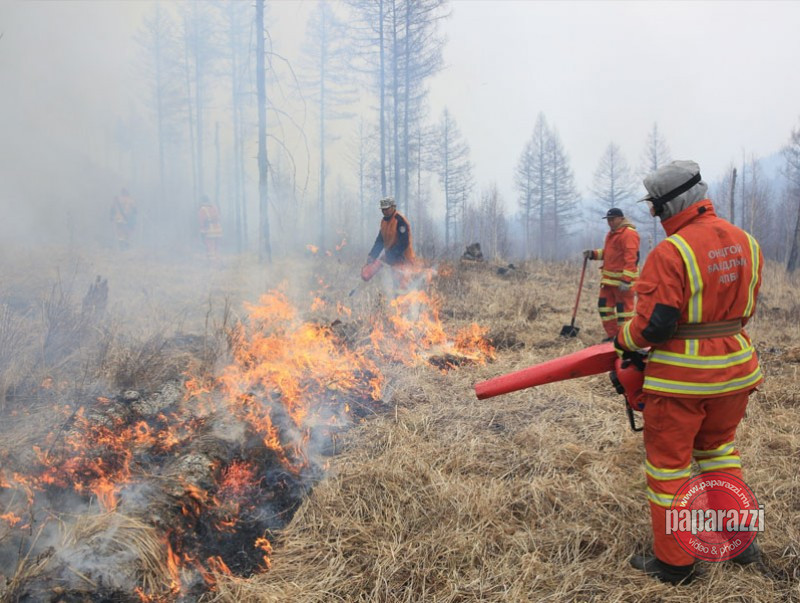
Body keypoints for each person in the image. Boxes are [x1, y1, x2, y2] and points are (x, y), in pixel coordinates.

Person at [614, 160, 764, 584]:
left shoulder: (672, 252)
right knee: (718, 451)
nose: (655, 218)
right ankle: (741, 542)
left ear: (669, 204)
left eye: (655, 210)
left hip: (682, 381)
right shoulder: (747, 242)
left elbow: (652, 327)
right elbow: (745, 311)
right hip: (735, 372)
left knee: (669, 468)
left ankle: (675, 564)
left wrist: (622, 340)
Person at [583, 207, 640, 341]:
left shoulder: (629, 234)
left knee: (624, 313)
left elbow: (631, 258)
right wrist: (594, 254)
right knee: (604, 308)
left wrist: (626, 280)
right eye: (608, 220)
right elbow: (610, 253)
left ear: (621, 219)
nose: (610, 222)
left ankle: (624, 340)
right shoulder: (612, 233)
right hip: (608, 282)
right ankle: (613, 336)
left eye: (612, 219)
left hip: (622, 283)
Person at [366, 196, 415, 287]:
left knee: (404, 286)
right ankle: (397, 300)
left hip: (404, 259)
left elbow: (404, 243)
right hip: (393, 260)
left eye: (387, 209)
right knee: (396, 286)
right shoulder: (384, 222)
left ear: (393, 207)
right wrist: (372, 255)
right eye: (383, 209)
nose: (385, 211)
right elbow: (380, 241)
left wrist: (389, 255)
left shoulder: (400, 221)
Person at [197, 195, 223, 263]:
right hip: (218, 231)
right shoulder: (214, 207)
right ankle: (219, 263)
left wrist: (202, 233)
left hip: (209, 232)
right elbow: (219, 217)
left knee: (210, 250)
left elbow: (202, 222)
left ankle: (213, 265)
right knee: (216, 249)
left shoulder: (202, 209)